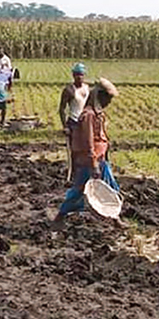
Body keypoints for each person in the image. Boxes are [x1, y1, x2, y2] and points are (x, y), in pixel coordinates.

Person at [54, 78, 121, 224]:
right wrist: (93, 164)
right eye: (107, 99)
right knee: (78, 191)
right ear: (99, 96)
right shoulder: (88, 116)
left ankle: (115, 218)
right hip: (89, 161)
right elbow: (88, 142)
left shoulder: (98, 115)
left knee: (112, 187)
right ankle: (61, 215)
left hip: (100, 159)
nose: (109, 103)